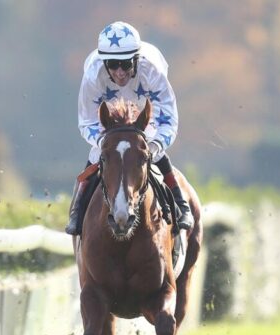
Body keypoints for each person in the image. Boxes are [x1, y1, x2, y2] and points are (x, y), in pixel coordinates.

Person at [66, 21, 194, 235]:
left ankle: (181, 204)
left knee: (149, 150)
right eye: (113, 64)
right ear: (104, 62)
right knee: (98, 153)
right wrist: (103, 142)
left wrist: (153, 146)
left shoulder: (152, 71)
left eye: (126, 64)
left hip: (143, 112)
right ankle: (78, 212)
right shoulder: (93, 74)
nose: (119, 72)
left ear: (136, 59)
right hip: (109, 124)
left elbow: (168, 120)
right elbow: (87, 122)